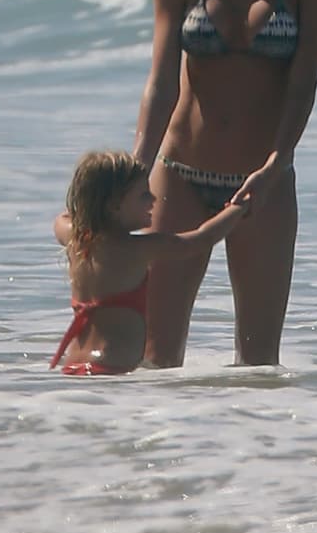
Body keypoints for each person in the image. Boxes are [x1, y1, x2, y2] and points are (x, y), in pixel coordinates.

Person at [133, 0, 317, 367]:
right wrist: (134, 172)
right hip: (180, 176)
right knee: (157, 358)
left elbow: (303, 82)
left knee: (259, 363)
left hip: (262, 184)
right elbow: (161, 84)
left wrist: (276, 163)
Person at [50, 151, 248, 375]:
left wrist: (90, 204)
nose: (153, 200)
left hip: (74, 364)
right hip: (111, 368)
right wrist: (238, 208)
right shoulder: (138, 248)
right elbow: (201, 239)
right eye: (144, 195)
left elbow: (61, 219)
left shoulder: (74, 240)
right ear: (114, 206)